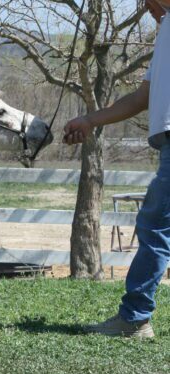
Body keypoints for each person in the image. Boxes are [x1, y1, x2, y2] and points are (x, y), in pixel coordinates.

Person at [63, 0, 170, 338]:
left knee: (154, 226)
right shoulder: (166, 29)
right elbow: (142, 98)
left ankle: (135, 318)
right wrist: (90, 120)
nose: (145, 7)